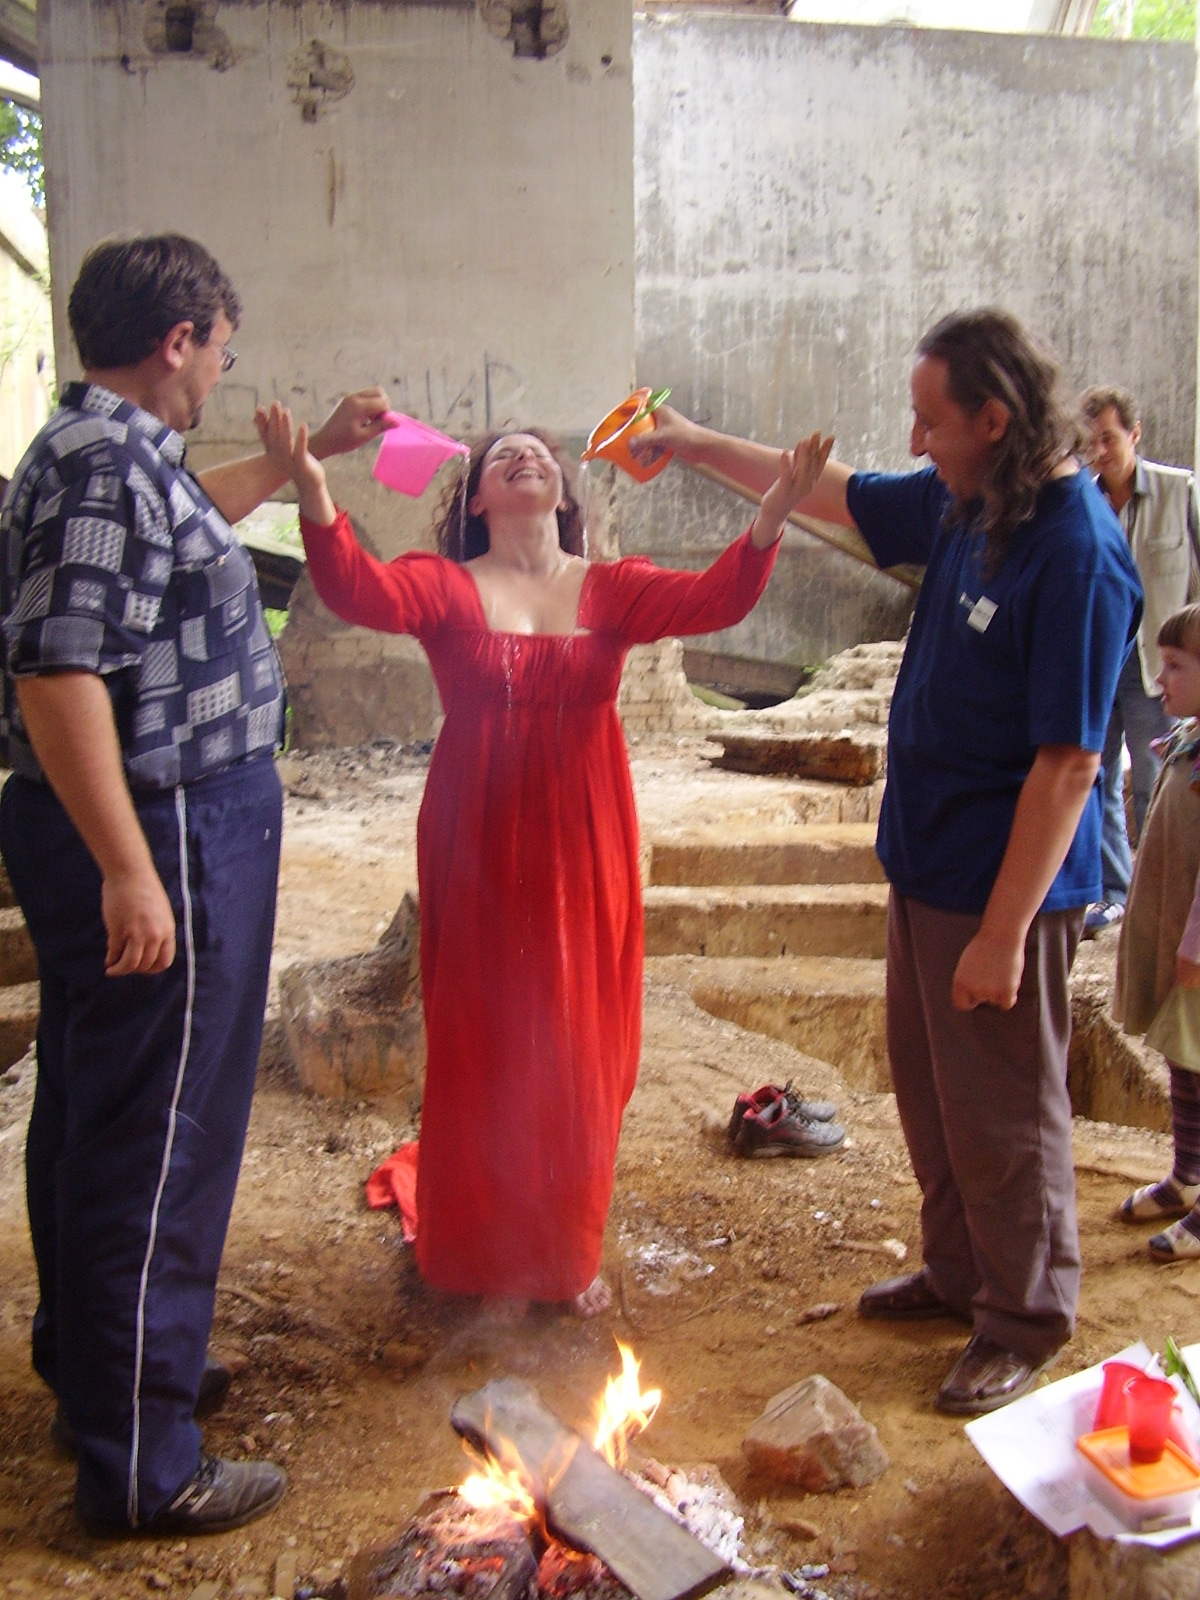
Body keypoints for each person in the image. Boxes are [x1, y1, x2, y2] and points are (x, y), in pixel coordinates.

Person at [639, 309, 1141, 1413]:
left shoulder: (1075, 551)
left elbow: (1068, 766)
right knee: (935, 1094)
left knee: (1005, 1113)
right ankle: (960, 1273)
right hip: (926, 866)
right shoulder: (973, 498)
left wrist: (1003, 935)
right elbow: (832, 491)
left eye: (930, 420)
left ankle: (1023, 1316)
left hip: (1002, 889)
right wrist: (688, 440)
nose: (915, 441)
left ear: (994, 418)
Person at [257, 407, 832, 1321]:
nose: (524, 457)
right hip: (474, 833)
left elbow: (713, 601)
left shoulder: (611, 587)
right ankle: (477, 1253)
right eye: (502, 457)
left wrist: (772, 513)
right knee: (482, 1035)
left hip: (583, 831)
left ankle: (561, 1250)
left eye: (538, 455)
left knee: (578, 1040)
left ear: (564, 493)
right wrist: (313, 486)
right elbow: (361, 589)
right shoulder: (445, 585)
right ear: (477, 500)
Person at [0, 233, 390, 1536]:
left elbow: (176, 531)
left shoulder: (104, 452)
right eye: (221, 348)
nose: (224, 369)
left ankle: (104, 1373)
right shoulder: (106, 466)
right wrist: (129, 868)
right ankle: (143, 1461)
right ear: (178, 342)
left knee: (99, 1108)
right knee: (160, 1136)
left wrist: (304, 455)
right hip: (160, 827)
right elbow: (58, 673)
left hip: (154, 821)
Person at [1077, 386, 1200, 937]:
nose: (1100, 452)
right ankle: (1113, 894)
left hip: (1160, 665)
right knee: (1095, 776)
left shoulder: (1180, 492)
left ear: (1135, 434)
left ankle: (1163, 895)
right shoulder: (1079, 501)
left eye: (1109, 438)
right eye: (1090, 443)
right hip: (1097, 660)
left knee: (1157, 777)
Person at [1114, 603, 1200, 1259]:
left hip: (1194, 950)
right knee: (1182, 1060)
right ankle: (1187, 1175)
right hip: (1173, 939)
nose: (1158, 678)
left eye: (1174, 665)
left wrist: (1194, 947)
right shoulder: (1188, 738)